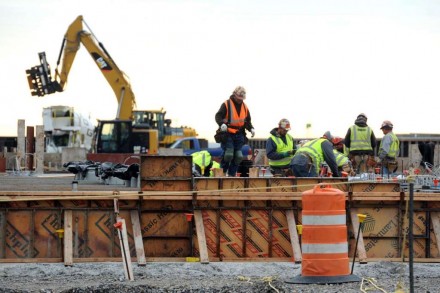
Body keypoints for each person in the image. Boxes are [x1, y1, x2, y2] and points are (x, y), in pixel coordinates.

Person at [215, 86, 255, 177]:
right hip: (227, 132)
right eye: (238, 98)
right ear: (234, 95)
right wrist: (222, 124)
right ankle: (223, 173)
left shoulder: (245, 107)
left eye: (242, 98)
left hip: (239, 133)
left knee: (238, 156)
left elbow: (247, 121)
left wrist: (251, 128)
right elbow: (218, 116)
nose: (240, 100)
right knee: (228, 154)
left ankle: (231, 175)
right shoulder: (226, 104)